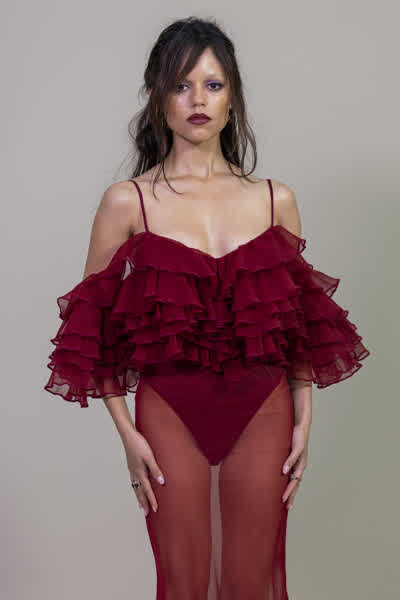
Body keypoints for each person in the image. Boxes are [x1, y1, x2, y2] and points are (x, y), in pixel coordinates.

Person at [44, 16, 370, 600]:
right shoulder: (127, 202)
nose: (198, 100)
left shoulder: (275, 199)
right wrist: (127, 435)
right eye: (182, 85)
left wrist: (305, 420)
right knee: (183, 583)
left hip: (265, 408)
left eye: (213, 85)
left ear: (232, 96)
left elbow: (297, 325)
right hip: (168, 409)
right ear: (157, 98)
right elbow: (90, 331)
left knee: (250, 582)